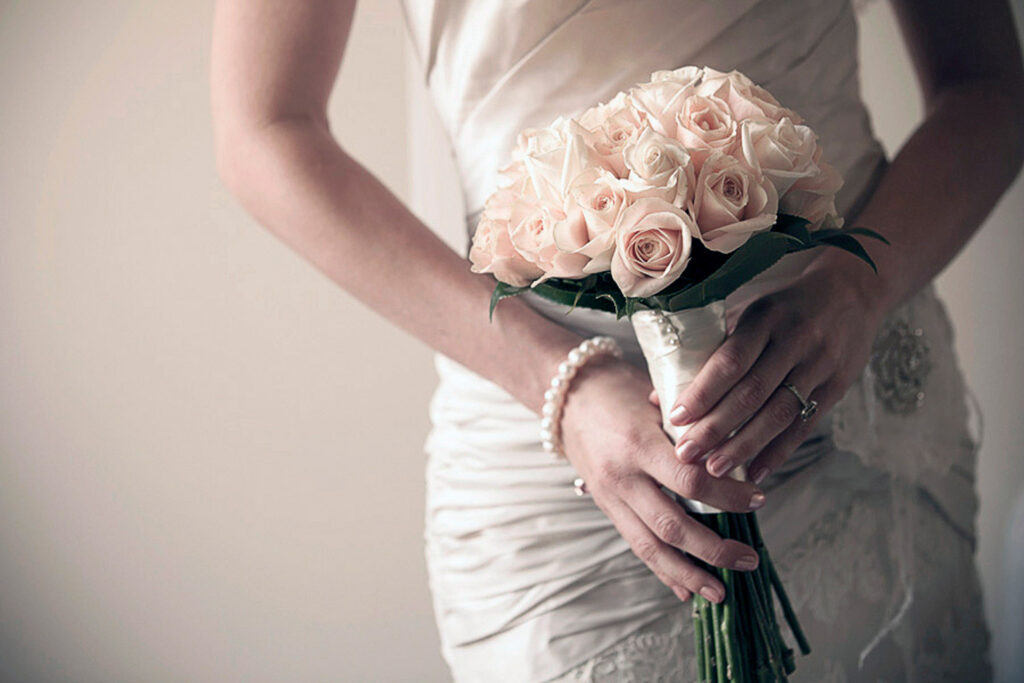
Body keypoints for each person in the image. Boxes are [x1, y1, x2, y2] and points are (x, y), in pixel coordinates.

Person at [210, 0, 1024, 680]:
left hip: (856, 418)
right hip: (567, 484)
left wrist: (860, 286)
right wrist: (557, 386)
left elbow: (988, 85)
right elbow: (265, 128)